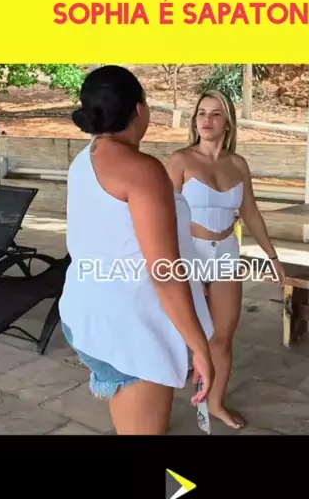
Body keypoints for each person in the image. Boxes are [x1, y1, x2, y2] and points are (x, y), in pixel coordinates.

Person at [58, 66, 215, 435]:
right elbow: (165, 272)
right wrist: (200, 347)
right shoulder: (142, 170)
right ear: (140, 110)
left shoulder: (86, 158)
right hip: (130, 329)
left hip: (90, 312)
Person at [167, 88, 285, 430]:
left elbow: (251, 213)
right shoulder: (181, 160)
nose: (207, 120)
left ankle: (216, 403)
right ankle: (158, 400)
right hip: (189, 253)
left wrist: (272, 256)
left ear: (228, 122)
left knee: (223, 335)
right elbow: (164, 213)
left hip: (226, 253)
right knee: (175, 331)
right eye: (201, 113)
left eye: (215, 114)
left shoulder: (238, 164)